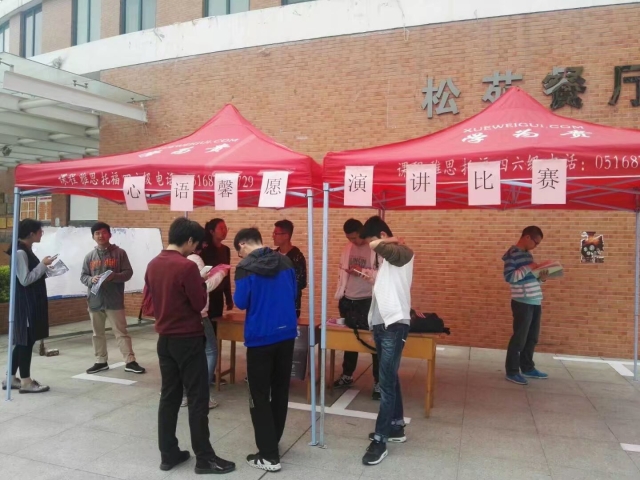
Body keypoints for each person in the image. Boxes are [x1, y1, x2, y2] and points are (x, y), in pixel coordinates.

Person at [144, 217, 235, 475]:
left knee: (169, 396)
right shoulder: (186, 267)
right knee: (197, 398)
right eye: (196, 245)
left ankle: (168, 453)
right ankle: (204, 458)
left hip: (164, 339)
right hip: (188, 338)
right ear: (190, 240)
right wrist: (205, 279)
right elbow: (199, 303)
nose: (196, 250)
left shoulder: (153, 263)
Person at [233, 227, 298, 472]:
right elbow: (293, 293)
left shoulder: (245, 267)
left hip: (260, 337)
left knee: (258, 395)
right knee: (280, 391)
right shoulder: (286, 261)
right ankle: (273, 442)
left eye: (239, 252)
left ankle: (269, 455)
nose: (240, 256)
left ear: (242, 245)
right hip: (286, 334)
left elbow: (240, 302)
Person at [360, 216, 414, 466]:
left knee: (386, 383)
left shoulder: (403, 251)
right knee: (390, 377)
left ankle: (380, 440)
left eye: (371, 240)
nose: (370, 247)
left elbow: (377, 245)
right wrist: (374, 280)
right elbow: (390, 287)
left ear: (382, 236)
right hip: (383, 325)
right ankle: (396, 427)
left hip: (394, 325)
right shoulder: (387, 259)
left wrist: (388, 240)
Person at [80, 222, 145, 375]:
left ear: (109, 234)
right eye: (97, 233)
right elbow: (83, 276)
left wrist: (114, 276)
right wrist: (91, 280)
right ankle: (100, 361)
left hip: (114, 301)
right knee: (97, 334)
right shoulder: (89, 256)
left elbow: (128, 273)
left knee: (121, 332)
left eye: (103, 232)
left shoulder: (120, 253)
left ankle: (130, 361)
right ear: (93, 236)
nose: (100, 236)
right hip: (95, 301)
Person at [2, 219, 54, 394]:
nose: (41, 234)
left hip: (29, 302)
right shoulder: (20, 252)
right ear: (31, 233)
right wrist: (43, 265)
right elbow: (25, 280)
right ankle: (26, 381)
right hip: (26, 304)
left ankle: (11, 379)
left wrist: (44, 268)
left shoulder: (25, 250)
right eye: (40, 231)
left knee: (23, 341)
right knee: (25, 341)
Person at [333, 218, 381, 400]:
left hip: (368, 299)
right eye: (349, 238)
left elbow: (381, 274)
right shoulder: (347, 248)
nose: (353, 241)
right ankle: (347, 374)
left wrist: (361, 270)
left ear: (362, 232)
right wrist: (342, 291)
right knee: (349, 340)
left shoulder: (374, 248)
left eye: (355, 238)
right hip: (348, 298)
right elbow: (341, 271)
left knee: (373, 340)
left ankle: (379, 381)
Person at [503, 226, 549, 386]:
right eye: (536, 242)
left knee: (532, 337)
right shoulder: (512, 254)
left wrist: (541, 277)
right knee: (519, 338)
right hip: (522, 301)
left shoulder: (527, 255)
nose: (536, 246)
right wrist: (528, 267)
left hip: (535, 300)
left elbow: (529, 278)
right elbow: (509, 277)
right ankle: (512, 371)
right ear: (527, 237)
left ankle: (528, 367)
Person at [185, 244, 230, 409]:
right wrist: (221, 273)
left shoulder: (172, 259)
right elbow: (204, 286)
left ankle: (184, 394)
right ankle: (201, 395)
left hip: (178, 315)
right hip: (198, 314)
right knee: (211, 351)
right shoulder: (195, 259)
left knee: (186, 355)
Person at [272, 220, 306, 318]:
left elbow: (301, 282)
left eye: (276, 233)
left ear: (286, 236)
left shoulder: (297, 257)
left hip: (290, 306)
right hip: (272, 305)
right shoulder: (273, 256)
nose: (273, 236)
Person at [201, 218, 233, 319]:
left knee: (218, 323)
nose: (224, 231)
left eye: (225, 228)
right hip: (207, 293)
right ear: (212, 231)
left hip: (219, 294)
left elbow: (226, 274)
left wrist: (228, 298)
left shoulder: (226, 250)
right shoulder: (204, 250)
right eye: (221, 228)